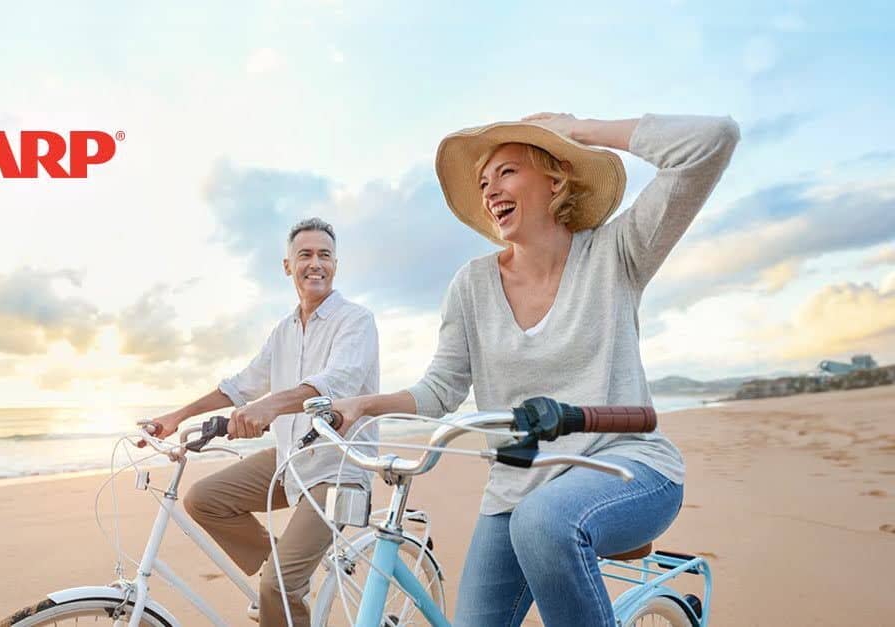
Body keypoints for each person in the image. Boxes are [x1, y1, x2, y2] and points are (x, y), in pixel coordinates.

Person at [329, 113, 739, 625]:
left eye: (506, 172)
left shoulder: (617, 253)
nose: (490, 190)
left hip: (627, 466)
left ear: (555, 178)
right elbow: (441, 388)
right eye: (483, 182)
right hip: (516, 487)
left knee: (544, 523)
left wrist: (582, 129)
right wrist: (368, 405)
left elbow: (711, 142)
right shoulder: (471, 285)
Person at [142, 217, 379, 626]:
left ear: (336, 265)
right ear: (288, 266)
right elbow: (241, 386)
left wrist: (270, 407)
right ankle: (281, 569)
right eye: (304, 255)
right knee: (204, 499)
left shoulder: (356, 321)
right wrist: (177, 416)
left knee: (277, 587)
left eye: (324, 255)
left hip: (338, 467)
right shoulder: (283, 331)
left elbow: (336, 382)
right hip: (291, 458)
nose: (315, 264)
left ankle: (282, 583)